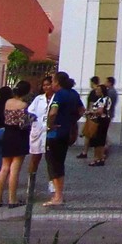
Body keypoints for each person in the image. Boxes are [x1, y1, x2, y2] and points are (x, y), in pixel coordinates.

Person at [44, 72, 85, 206]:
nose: (52, 84)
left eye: (53, 81)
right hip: (68, 132)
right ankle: (59, 194)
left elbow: (53, 112)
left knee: (53, 164)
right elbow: (81, 110)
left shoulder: (59, 95)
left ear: (57, 82)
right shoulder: (73, 94)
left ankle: (58, 196)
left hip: (56, 133)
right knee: (60, 162)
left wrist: (50, 125)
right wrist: (72, 121)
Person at [0, 80, 32, 208]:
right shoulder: (23, 105)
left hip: (8, 134)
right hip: (18, 136)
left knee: (4, 167)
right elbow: (23, 124)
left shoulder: (7, 102)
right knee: (15, 168)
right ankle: (12, 199)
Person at [27, 76, 54, 176]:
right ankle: (31, 180)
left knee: (51, 159)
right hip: (38, 130)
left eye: (48, 85)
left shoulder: (56, 98)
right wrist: (32, 118)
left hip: (50, 131)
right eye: (44, 85)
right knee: (35, 157)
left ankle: (52, 182)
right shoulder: (39, 99)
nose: (46, 87)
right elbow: (30, 111)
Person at [85, 84, 111, 167]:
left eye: (97, 90)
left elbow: (100, 111)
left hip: (100, 120)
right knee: (101, 140)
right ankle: (101, 158)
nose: (96, 91)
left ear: (101, 91)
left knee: (97, 140)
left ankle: (97, 158)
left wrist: (90, 112)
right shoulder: (104, 99)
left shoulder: (103, 99)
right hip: (104, 120)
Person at [78, 76, 100, 159]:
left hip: (92, 116)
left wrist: (88, 113)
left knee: (89, 134)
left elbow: (91, 104)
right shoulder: (100, 91)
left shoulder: (93, 92)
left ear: (92, 82)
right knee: (91, 134)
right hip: (97, 115)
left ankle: (86, 152)